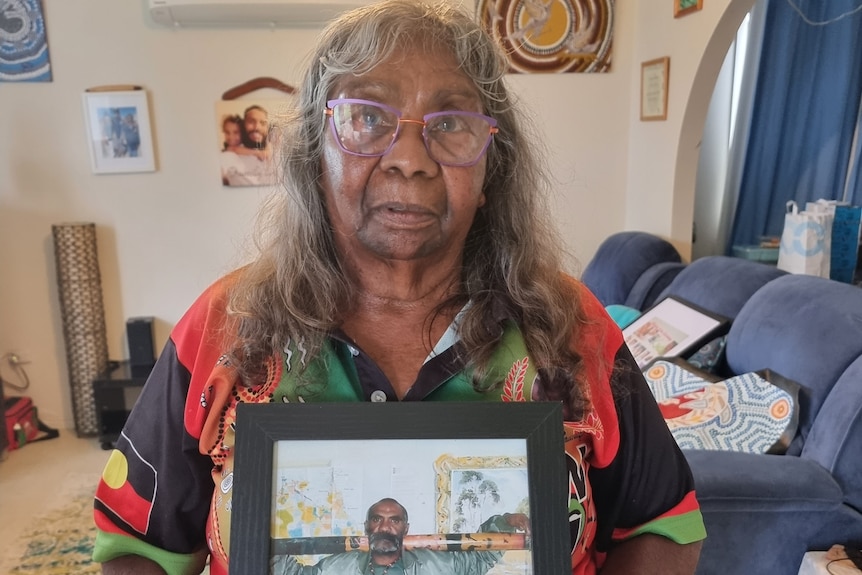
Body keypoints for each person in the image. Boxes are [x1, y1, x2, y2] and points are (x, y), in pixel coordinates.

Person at [92, 1, 706, 574]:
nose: (409, 158)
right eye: (366, 117)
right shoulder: (223, 326)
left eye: (452, 123)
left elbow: (663, 525)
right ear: (315, 158)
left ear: (493, 166)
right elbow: (136, 545)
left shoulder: (572, 327)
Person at [271, 498, 528, 575]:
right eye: (377, 519)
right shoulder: (339, 566)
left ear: (406, 528)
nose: (385, 527)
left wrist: (503, 522)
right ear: (367, 527)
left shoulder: (438, 566)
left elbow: (479, 560)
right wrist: (260, 544)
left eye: (394, 520)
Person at [220, 105, 275, 186]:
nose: (257, 127)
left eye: (263, 123)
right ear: (243, 126)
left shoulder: (277, 150)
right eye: (251, 122)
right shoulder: (230, 155)